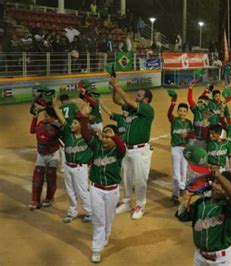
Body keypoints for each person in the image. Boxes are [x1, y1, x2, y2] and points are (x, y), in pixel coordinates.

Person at [176, 145, 231, 265]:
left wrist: (219, 176)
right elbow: (182, 216)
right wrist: (186, 199)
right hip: (200, 258)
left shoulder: (228, 208)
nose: (217, 187)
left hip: (222, 260)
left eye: (222, 186)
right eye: (216, 183)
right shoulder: (201, 203)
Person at [78, 104, 126, 263]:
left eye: (108, 137)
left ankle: (106, 235)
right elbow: (85, 134)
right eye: (104, 136)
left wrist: (115, 136)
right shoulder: (97, 146)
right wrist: (84, 118)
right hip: (96, 189)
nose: (105, 139)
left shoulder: (119, 152)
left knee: (109, 218)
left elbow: (121, 147)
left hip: (112, 191)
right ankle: (96, 249)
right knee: (98, 220)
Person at [110, 78, 154, 220]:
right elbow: (118, 101)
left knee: (140, 179)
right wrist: (114, 89)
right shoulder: (132, 109)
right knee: (127, 177)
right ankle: (127, 201)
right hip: (127, 149)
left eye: (139, 96)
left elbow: (128, 100)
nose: (136, 97)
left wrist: (118, 85)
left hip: (140, 151)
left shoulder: (147, 110)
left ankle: (140, 204)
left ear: (146, 99)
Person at [52, 97, 93, 223]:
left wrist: (84, 112)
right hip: (68, 166)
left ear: (81, 126)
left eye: (75, 123)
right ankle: (72, 212)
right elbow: (61, 118)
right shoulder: (68, 133)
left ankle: (89, 213)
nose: (72, 125)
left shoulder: (87, 136)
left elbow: (88, 120)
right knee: (70, 191)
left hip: (81, 168)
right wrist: (55, 106)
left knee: (82, 192)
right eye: (72, 123)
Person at [28, 107, 60, 210]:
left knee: (51, 178)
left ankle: (49, 198)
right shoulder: (41, 124)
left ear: (53, 117)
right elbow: (32, 130)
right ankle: (35, 201)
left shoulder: (57, 127)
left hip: (53, 155)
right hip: (41, 155)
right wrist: (35, 117)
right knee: (37, 178)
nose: (44, 117)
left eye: (46, 116)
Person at [168, 97, 194, 203]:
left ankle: (181, 190)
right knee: (176, 172)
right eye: (180, 111)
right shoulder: (174, 120)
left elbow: (192, 134)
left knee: (184, 171)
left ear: (187, 112)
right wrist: (173, 103)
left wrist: (187, 134)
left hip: (185, 148)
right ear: (178, 111)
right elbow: (169, 114)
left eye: (184, 111)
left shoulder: (189, 122)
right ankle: (176, 193)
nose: (182, 113)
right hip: (176, 148)